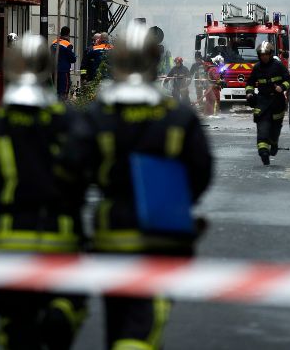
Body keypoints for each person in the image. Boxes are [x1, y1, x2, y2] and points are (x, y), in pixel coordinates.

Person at [79, 19, 213, 350]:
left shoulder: (99, 114)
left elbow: (75, 167)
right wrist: (175, 202)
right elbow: (201, 171)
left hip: (113, 231)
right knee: (147, 314)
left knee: (117, 312)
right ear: (156, 62)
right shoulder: (177, 115)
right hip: (163, 233)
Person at [0, 35, 87, 350]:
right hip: (60, 228)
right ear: (47, 69)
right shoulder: (65, 119)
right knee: (69, 296)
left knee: (14, 316)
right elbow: (85, 167)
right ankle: (61, 310)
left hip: (11, 230)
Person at [245, 42, 290, 165]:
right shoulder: (257, 68)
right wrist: (249, 93)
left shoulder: (278, 66)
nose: (264, 57)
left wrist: (282, 87)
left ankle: (274, 143)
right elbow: (249, 83)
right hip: (262, 103)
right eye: (261, 55)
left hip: (277, 103)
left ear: (270, 54)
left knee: (275, 130)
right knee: (262, 129)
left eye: (266, 54)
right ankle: (263, 152)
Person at [51, 26, 77, 100]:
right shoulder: (67, 44)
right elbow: (72, 59)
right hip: (63, 71)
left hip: (54, 71)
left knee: (55, 90)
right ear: (68, 34)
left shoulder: (53, 43)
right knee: (63, 91)